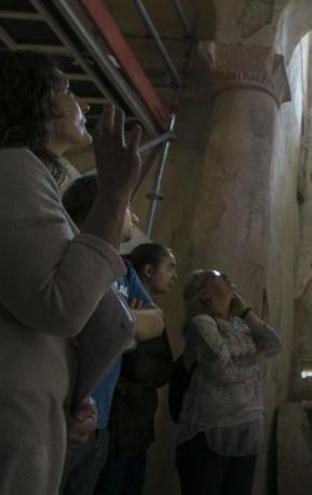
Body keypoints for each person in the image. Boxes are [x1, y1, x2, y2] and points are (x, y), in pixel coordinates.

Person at [0, 49, 139, 494]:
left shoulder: (32, 172)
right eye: (65, 89)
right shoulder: (12, 167)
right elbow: (60, 306)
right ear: (33, 100)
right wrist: (115, 194)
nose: (82, 103)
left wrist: (68, 399)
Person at [60, 175, 167, 495]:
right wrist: (127, 323)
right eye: (129, 207)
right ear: (104, 207)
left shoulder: (124, 269)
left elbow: (159, 321)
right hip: (64, 418)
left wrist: (115, 322)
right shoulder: (69, 258)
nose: (134, 216)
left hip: (101, 422)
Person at [175, 269, 281, 494]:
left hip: (246, 430)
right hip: (210, 432)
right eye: (215, 274)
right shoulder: (201, 323)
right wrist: (257, 357)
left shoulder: (240, 325)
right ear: (204, 295)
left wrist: (245, 312)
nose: (225, 275)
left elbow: (273, 345)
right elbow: (223, 371)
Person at [95, 243, 177, 494]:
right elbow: (133, 365)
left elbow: (165, 370)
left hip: (138, 427)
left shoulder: (152, 313)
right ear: (149, 270)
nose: (174, 276)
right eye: (170, 267)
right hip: (117, 424)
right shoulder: (121, 299)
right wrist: (135, 350)